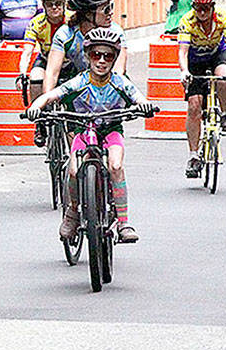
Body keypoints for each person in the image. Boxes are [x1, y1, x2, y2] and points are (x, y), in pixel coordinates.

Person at [25, 26, 156, 245]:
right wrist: (35, 107)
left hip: (111, 131)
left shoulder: (119, 82)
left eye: (108, 56)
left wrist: (146, 106)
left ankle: (123, 222)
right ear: (87, 56)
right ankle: (72, 214)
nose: (102, 61)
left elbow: (138, 97)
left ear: (114, 59)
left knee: (115, 165)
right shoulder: (79, 81)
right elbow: (51, 96)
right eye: (96, 55)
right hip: (83, 132)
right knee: (75, 170)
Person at [175, 0, 226, 178]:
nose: (202, 12)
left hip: (216, 55)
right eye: (198, 7)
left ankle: (225, 113)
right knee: (194, 106)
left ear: (212, 7)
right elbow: (182, 51)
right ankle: (194, 155)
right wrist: (184, 71)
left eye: (206, 8)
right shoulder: (187, 21)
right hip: (195, 60)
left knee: (224, 76)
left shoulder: (223, 18)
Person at [44, 0, 127, 92]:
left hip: (109, 82)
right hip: (78, 82)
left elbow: (118, 71)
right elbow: (52, 74)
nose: (111, 13)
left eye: (111, 7)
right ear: (88, 14)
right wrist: (46, 102)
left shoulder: (116, 32)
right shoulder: (65, 34)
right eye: (106, 9)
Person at [21, 0, 69, 106]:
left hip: (69, 61)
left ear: (64, 3)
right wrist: (22, 74)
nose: (54, 7)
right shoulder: (36, 23)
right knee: (35, 76)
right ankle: (40, 118)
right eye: (49, 4)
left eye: (58, 3)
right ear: (43, 5)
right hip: (46, 59)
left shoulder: (73, 20)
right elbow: (27, 52)